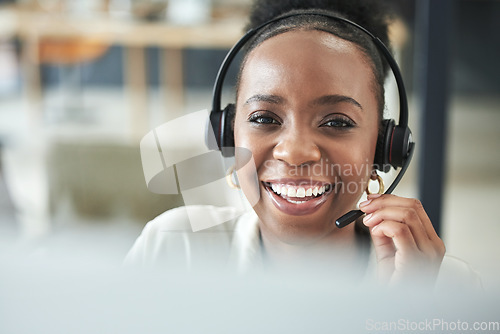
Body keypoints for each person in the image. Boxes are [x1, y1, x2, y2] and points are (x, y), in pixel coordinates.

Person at [125, 0, 481, 289]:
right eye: (264, 118)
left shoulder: (448, 289)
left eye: (337, 122)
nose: (294, 152)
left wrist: (406, 313)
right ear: (229, 136)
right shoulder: (174, 248)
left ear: (384, 147)